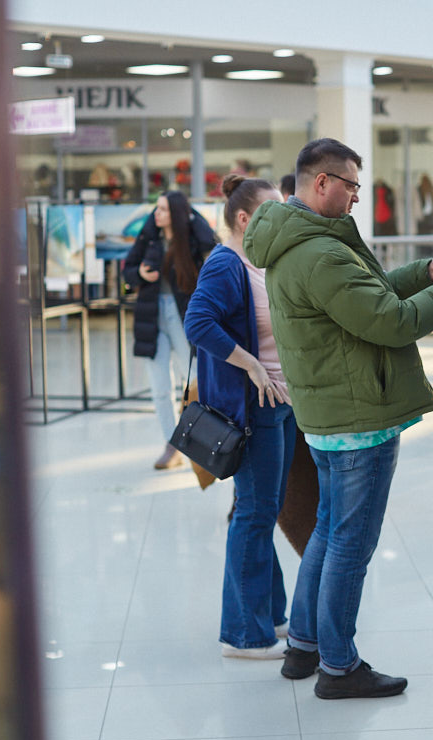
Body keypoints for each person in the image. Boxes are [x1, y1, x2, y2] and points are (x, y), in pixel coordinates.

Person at [244, 138, 433, 699]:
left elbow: (369, 298)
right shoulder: (320, 252)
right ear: (320, 182)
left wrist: (427, 272)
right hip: (357, 419)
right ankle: (340, 667)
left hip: (331, 412)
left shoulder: (303, 241)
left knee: (328, 530)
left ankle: (304, 646)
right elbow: (390, 323)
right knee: (350, 543)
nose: (354, 197)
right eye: (350, 185)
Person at [184, 175, 295, 659]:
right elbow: (198, 322)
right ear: (245, 219)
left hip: (279, 407)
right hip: (255, 411)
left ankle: (268, 615)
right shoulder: (226, 263)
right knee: (252, 514)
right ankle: (244, 635)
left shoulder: (256, 261)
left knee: (261, 512)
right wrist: (250, 365)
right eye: (272, 212)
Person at [122, 191, 217, 469]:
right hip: (152, 316)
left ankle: (194, 438)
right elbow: (128, 269)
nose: (157, 214)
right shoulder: (149, 236)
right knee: (159, 387)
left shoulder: (191, 236)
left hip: (183, 315)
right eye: (157, 209)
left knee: (195, 380)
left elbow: (211, 242)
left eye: (163, 209)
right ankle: (172, 443)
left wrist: (189, 214)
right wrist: (139, 274)